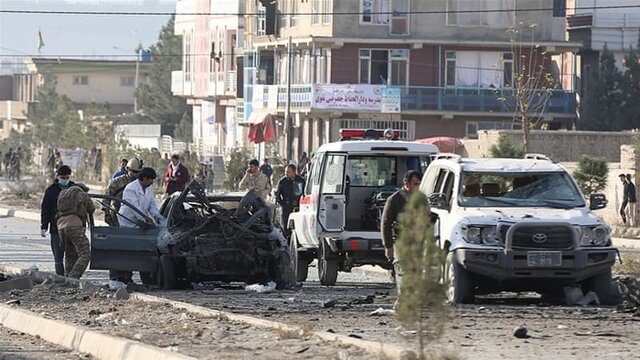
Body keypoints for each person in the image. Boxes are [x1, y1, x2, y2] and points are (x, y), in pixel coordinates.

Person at [118, 167, 165, 283]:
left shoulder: (148, 189)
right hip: (128, 222)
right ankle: (125, 278)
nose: (152, 182)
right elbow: (134, 207)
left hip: (140, 222)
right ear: (144, 178)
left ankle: (146, 278)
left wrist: (158, 217)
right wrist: (146, 219)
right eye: (151, 180)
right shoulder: (131, 189)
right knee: (129, 251)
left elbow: (152, 205)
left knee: (143, 251)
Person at [380, 170, 422, 290]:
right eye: (415, 184)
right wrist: (388, 246)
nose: (418, 187)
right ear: (406, 184)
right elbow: (385, 224)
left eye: (419, 184)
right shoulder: (394, 200)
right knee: (403, 272)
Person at [40, 165, 77, 276]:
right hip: (56, 228)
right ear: (58, 176)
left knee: (71, 255)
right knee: (58, 255)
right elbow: (45, 209)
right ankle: (60, 278)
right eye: (63, 177)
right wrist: (44, 226)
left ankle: (70, 277)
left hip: (72, 228)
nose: (65, 180)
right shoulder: (51, 191)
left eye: (67, 178)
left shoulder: (74, 189)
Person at [56, 183, 94, 278]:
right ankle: (73, 277)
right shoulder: (81, 193)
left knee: (70, 255)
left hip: (61, 227)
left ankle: (67, 278)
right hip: (75, 226)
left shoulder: (63, 194)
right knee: (85, 253)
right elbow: (91, 208)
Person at [104, 158, 143, 227]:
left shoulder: (141, 184)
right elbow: (106, 197)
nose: (136, 174)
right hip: (117, 215)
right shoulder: (117, 182)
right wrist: (107, 213)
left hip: (134, 219)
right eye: (134, 172)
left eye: (138, 172)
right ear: (128, 169)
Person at [275, 164, 305, 235]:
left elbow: (305, 193)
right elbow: (277, 196)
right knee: (286, 228)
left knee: (298, 227)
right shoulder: (282, 182)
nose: (286, 174)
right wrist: (282, 204)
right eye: (285, 172)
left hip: (298, 207)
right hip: (286, 207)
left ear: (294, 172)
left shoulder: (301, 181)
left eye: (288, 172)